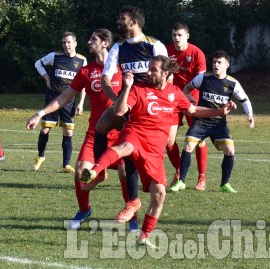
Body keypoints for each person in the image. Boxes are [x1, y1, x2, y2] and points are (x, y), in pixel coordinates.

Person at [80, 56, 235, 246]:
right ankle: (95, 171)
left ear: (165, 73)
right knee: (125, 148)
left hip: (155, 148)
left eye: (153, 70)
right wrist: (127, 87)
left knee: (160, 193)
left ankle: (144, 235)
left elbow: (193, 110)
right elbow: (119, 111)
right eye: (149, 68)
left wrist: (220, 111)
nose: (148, 72)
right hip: (135, 133)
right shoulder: (138, 89)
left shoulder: (175, 93)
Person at [27, 29, 136, 230]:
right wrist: (40, 114)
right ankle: (84, 209)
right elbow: (63, 98)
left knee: (124, 172)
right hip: (96, 132)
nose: (88, 42)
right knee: (79, 172)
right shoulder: (86, 71)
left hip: (121, 132)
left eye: (93, 39)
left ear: (105, 43)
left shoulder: (122, 67)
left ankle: (133, 219)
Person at [94, 5, 168, 225]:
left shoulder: (154, 45)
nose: (119, 20)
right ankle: (100, 171)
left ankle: (134, 203)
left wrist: (155, 101)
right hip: (128, 101)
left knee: (130, 158)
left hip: (147, 107)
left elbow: (167, 77)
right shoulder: (118, 47)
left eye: (122, 17)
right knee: (101, 126)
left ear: (134, 22)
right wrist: (118, 100)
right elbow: (105, 79)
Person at [169, 50, 254, 194]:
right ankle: (181, 181)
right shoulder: (203, 78)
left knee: (230, 149)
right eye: (214, 62)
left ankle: (224, 184)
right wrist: (187, 97)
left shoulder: (233, 83)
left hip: (218, 124)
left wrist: (250, 115)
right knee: (189, 145)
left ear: (227, 65)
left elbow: (244, 100)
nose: (216, 65)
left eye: (219, 62)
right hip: (200, 122)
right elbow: (187, 87)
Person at [31, 32, 87, 172]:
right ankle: (40, 157)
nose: (66, 45)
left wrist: (81, 103)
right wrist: (47, 78)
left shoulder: (81, 60)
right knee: (44, 129)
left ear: (75, 43)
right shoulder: (55, 56)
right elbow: (38, 63)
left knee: (68, 133)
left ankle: (66, 165)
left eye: (69, 42)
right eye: (64, 43)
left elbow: (84, 84)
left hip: (69, 102)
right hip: (52, 99)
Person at [166, 22, 208, 191]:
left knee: (199, 140)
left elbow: (201, 80)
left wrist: (189, 95)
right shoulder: (167, 51)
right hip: (172, 99)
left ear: (187, 36)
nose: (176, 38)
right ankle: (178, 172)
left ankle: (201, 178)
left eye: (180, 35)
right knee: (169, 141)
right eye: (174, 35)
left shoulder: (197, 53)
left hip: (192, 99)